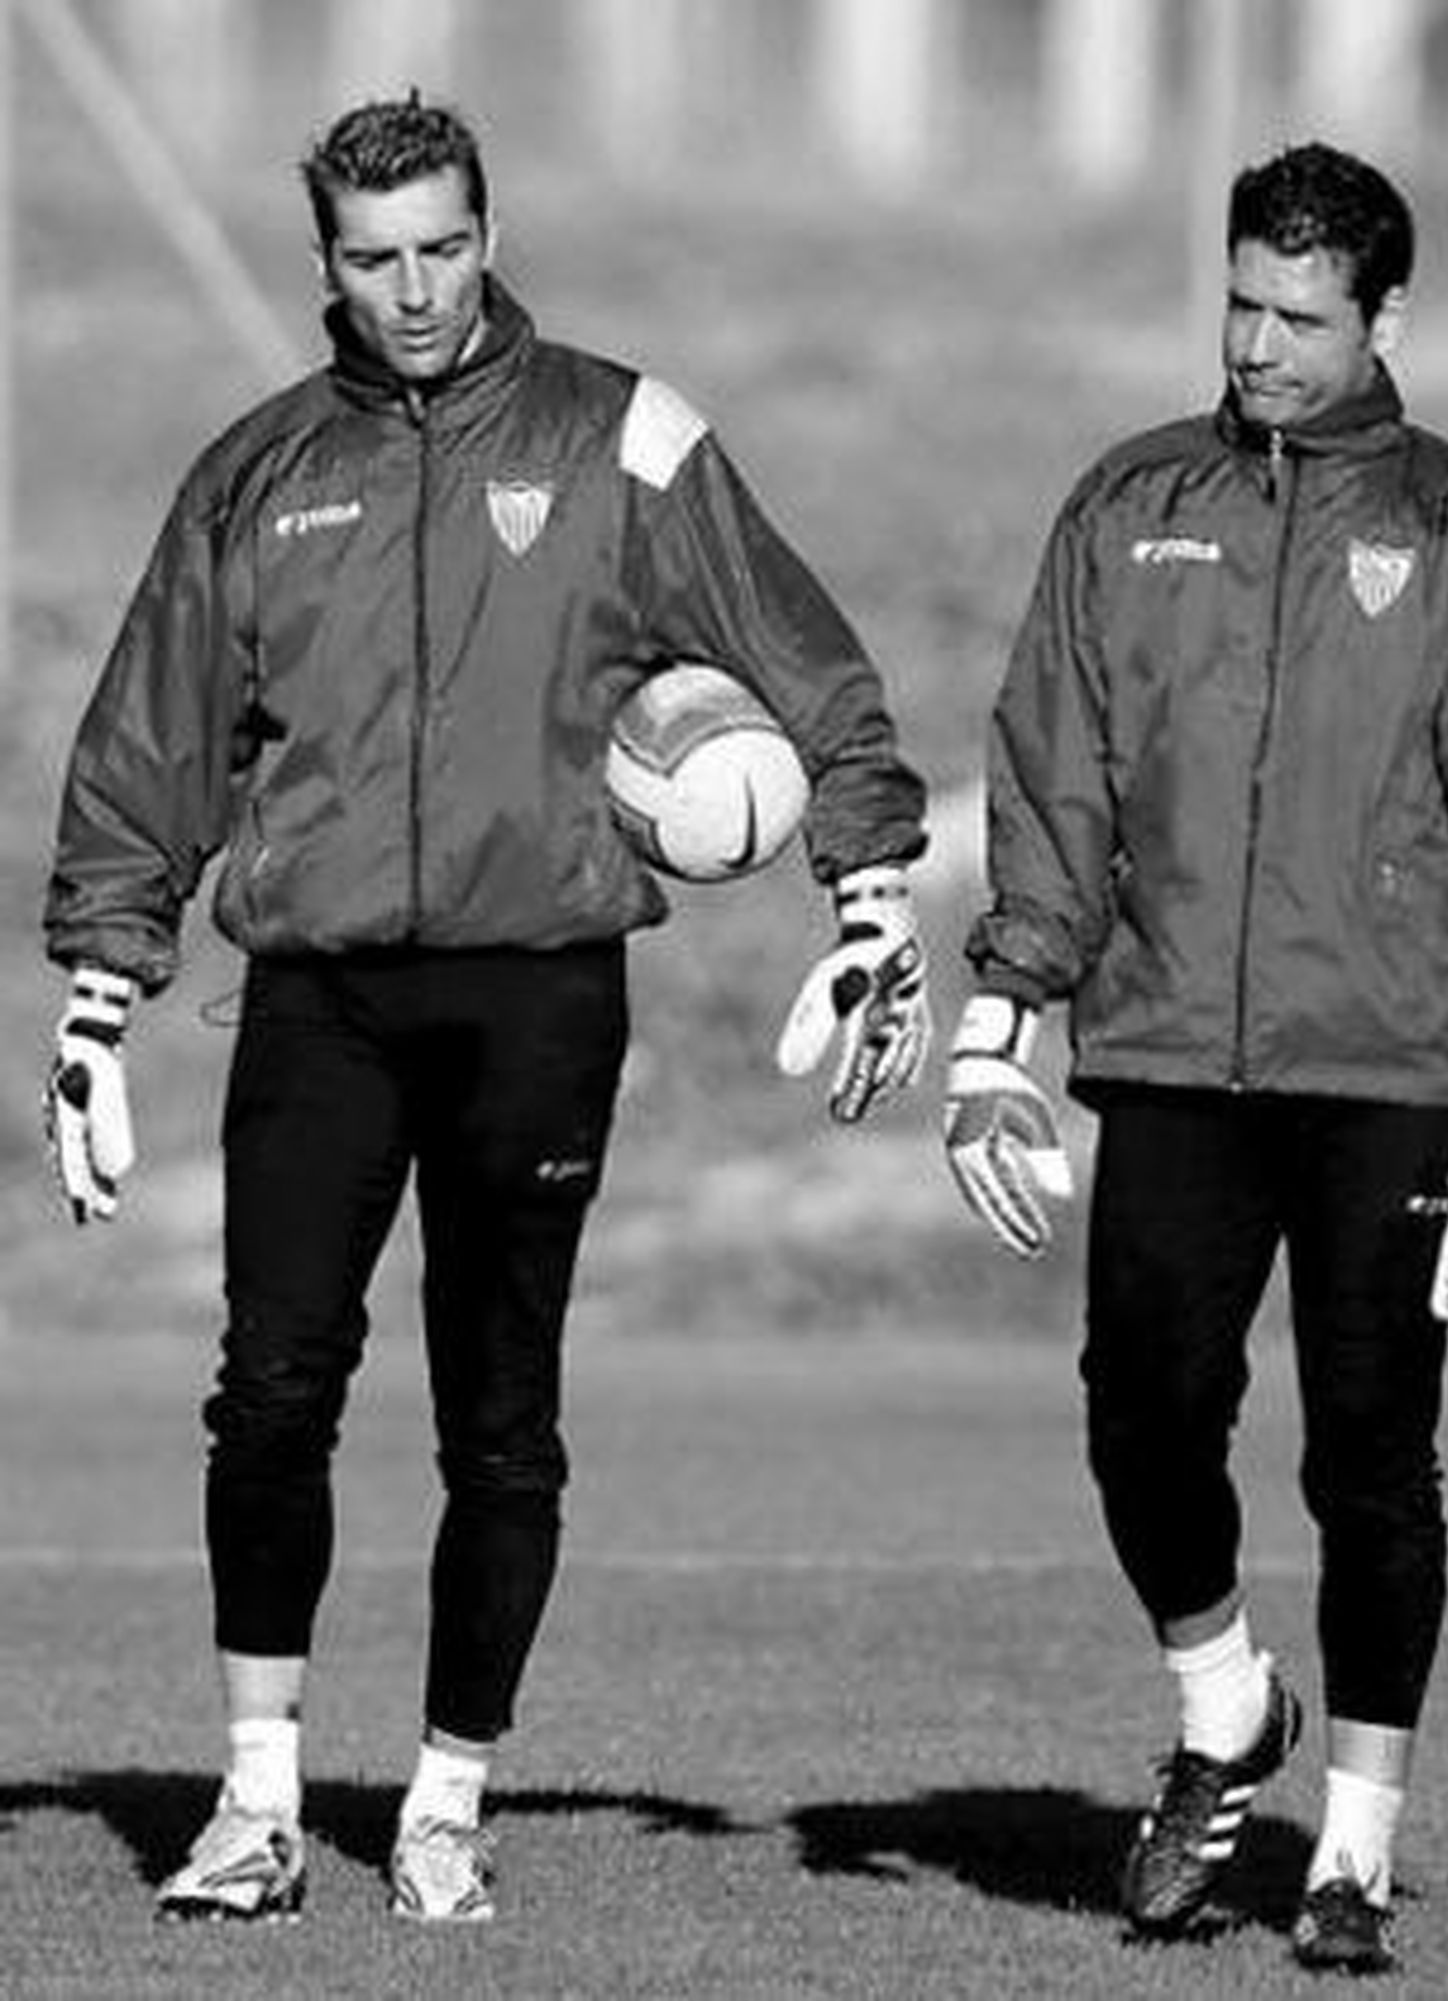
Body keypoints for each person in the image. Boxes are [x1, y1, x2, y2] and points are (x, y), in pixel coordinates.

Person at [43, 93, 929, 1926]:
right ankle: (257, 1802)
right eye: (376, 259)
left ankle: (448, 1797)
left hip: (539, 997)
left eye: (444, 246)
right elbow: (150, 748)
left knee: (500, 1413)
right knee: (270, 1391)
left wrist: (868, 893)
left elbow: (809, 665)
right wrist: (97, 999)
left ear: (491, 235)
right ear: (328, 267)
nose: (417, 289)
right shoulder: (255, 472)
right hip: (320, 1001)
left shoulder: (624, 438)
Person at [942, 141, 1448, 1976]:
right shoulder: (1126, 501)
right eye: (1240, 303)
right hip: (1167, 1055)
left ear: (1386, 316)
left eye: (1300, 316)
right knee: (1141, 1412)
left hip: (1393, 1067)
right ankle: (1226, 1707)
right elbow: (1055, 777)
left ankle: (1353, 1853)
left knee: (1373, 1457)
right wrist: (1000, 1023)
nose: (1257, 345)